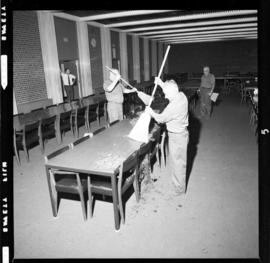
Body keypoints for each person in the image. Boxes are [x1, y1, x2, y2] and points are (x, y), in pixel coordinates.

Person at [141, 78, 189, 195]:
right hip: (181, 134)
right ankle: (177, 184)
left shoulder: (175, 106)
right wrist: (161, 84)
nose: (166, 97)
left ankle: (179, 189)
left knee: (178, 163)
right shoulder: (181, 96)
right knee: (177, 161)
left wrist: (150, 112)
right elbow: (171, 89)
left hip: (177, 137)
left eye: (166, 94)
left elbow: (161, 119)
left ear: (172, 92)